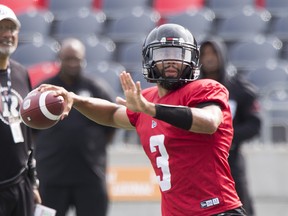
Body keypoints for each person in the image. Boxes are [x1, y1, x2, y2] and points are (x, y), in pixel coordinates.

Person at [38, 24, 247, 216]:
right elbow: (112, 114)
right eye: (163, 54)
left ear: (191, 58)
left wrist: (150, 109)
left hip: (216, 209)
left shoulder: (205, 88)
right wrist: (75, 100)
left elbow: (209, 122)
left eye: (178, 53)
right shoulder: (147, 99)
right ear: (149, 58)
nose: (171, 60)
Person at [34, 38, 116, 216]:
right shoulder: (44, 91)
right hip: (51, 177)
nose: (72, 63)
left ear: (83, 60)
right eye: (68, 58)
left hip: (90, 176)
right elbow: (31, 129)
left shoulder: (97, 89)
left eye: (77, 59)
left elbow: (111, 124)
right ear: (59, 59)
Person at [199, 37, 261, 216]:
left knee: (240, 206)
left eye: (213, 53)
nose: (209, 58)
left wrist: (226, 138)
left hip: (231, 162)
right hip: (201, 164)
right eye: (204, 54)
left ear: (222, 55)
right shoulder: (193, 90)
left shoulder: (239, 88)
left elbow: (255, 123)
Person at [0, 4, 41, 216]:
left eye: (11, 29)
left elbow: (27, 130)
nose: (7, 34)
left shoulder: (21, 72)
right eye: (1, 28)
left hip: (20, 182)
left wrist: (32, 182)